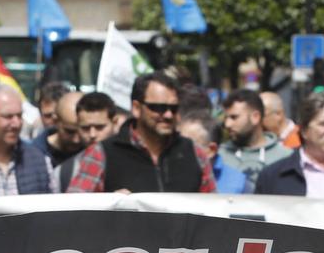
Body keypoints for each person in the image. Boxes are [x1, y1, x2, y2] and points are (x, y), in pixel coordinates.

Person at [65, 71, 215, 193]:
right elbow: (76, 210)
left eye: (173, 108)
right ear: (136, 108)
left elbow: (212, 212)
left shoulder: (195, 154)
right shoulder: (100, 154)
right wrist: (107, 204)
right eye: (159, 108)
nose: (168, 115)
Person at [218, 89, 290, 183]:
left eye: (234, 117)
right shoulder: (219, 156)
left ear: (255, 117)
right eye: (226, 118)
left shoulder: (285, 157)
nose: (227, 124)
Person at [184, 114, 246, 194]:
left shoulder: (238, 183)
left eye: (187, 145)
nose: (180, 150)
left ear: (211, 150)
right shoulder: (167, 173)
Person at [47, 90, 90, 179]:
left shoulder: (96, 151)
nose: (76, 139)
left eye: (84, 130)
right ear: (55, 121)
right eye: (70, 131)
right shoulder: (35, 155)